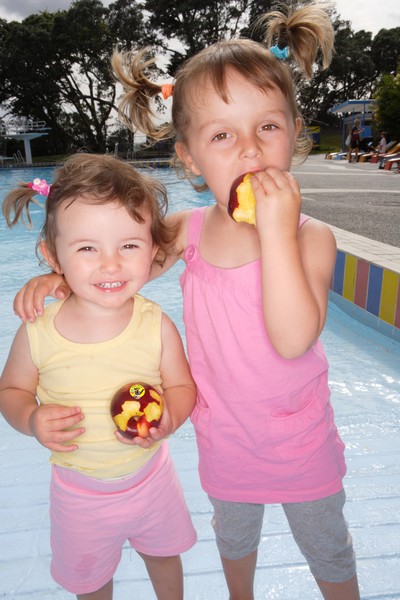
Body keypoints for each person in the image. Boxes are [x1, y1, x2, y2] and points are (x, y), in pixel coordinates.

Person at [11, 2, 361, 599]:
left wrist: (275, 230)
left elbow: (293, 337)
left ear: (295, 134)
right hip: (224, 439)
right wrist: (62, 282)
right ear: (190, 157)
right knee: (235, 542)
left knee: (327, 547)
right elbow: (122, 267)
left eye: (267, 127)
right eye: (223, 136)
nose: (249, 150)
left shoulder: (310, 238)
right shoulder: (191, 231)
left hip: (301, 441)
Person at [0, 153, 197, 600]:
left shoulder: (155, 324)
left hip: (151, 480)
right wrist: (30, 418)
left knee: (165, 558)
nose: (111, 264)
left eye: (129, 245)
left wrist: (170, 418)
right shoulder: (38, 332)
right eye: (87, 248)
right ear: (53, 256)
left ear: (152, 250)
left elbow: (182, 387)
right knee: (90, 582)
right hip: (78, 496)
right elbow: (10, 390)